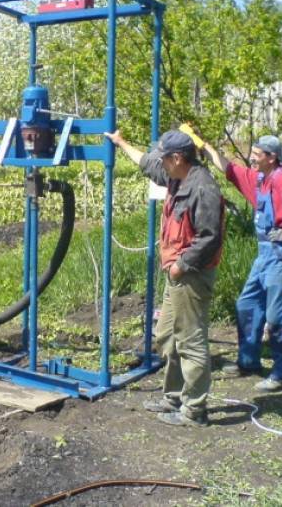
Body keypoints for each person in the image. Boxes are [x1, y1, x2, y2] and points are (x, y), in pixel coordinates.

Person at [105, 129, 225, 426]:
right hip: (177, 273)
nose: (162, 163)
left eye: (165, 158)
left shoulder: (202, 188)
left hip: (191, 275)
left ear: (177, 157)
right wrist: (121, 143)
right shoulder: (176, 175)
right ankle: (173, 395)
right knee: (168, 335)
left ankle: (194, 411)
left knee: (190, 340)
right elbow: (147, 163)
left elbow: (209, 237)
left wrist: (181, 265)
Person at [202, 134, 282, 392]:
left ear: (272, 157)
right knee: (247, 304)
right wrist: (205, 146)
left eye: (257, 153)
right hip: (264, 253)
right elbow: (230, 169)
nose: (252, 157)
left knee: (278, 315)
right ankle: (248, 361)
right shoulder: (260, 179)